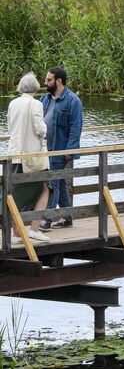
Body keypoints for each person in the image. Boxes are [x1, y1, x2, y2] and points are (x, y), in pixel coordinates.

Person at [6, 73, 50, 244]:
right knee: (46, 188)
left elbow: (10, 126)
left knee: (17, 194)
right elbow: (41, 129)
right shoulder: (36, 104)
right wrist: (44, 131)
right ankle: (34, 229)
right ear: (36, 87)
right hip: (32, 156)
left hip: (14, 153)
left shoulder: (13, 103)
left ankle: (17, 233)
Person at [39, 67, 82, 230]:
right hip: (45, 149)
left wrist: (69, 151)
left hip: (61, 149)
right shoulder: (45, 99)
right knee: (60, 182)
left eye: (49, 80)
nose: (45, 82)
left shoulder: (73, 100)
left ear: (58, 81)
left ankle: (47, 220)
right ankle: (67, 216)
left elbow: (76, 127)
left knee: (53, 184)